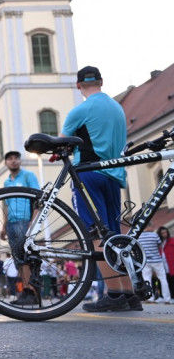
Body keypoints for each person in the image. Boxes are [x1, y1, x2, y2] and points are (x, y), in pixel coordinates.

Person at [61, 66, 136, 312]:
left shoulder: (80, 110)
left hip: (88, 174)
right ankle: (128, 293)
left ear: (78, 85)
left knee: (95, 235)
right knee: (115, 235)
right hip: (114, 176)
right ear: (101, 82)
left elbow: (62, 142)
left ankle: (113, 293)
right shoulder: (117, 108)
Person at [0, 150, 41, 305]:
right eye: (9, 158)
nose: (13, 161)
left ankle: (31, 291)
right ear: (6, 163)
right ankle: (26, 291)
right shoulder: (6, 182)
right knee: (18, 259)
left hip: (25, 220)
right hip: (11, 223)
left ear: (20, 161)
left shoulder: (28, 176)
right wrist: (4, 227)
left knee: (25, 258)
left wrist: (33, 220)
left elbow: (37, 198)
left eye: (16, 158)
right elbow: (7, 205)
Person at [138, 227, 171, 304]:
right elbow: (159, 246)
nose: (153, 228)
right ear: (148, 226)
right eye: (152, 226)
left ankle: (150, 298)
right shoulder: (155, 235)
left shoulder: (139, 236)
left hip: (145, 261)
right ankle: (167, 299)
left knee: (147, 279)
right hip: (157, 260)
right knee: (163, 279)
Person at [160, 226, 174, 295]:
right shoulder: (159, 242)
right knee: (166, 281)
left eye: (165, 232)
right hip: (163, 265)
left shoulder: (172, 240)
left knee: (172, 281)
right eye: (162, 233)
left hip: (171, 264)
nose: (164, 234)